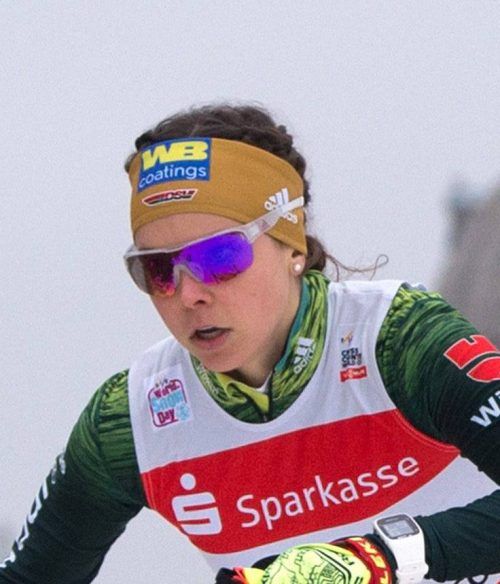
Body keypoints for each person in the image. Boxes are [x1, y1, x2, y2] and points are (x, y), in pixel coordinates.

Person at [1, 104, 499, 584]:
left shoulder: (396, 340)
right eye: (158, 269)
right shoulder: (137, 417)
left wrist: (378, 559)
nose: (190, 294)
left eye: (219, 257)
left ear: (292, 246)